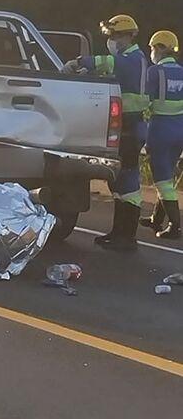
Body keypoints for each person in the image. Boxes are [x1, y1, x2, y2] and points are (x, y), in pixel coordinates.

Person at [63, 14, 149, 250]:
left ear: (130, 36)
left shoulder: (133, 58)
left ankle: (126, 236)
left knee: (128, 182)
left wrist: (80, 61)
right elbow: (111, 76)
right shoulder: (126, 58)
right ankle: (118, 232)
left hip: (131, 126)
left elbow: (108, 65)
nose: (112, 40)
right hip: (125, 126)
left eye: (116, 35)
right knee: (120, 182)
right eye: (111, 36)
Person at [140, 30, 183, 239]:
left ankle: (175, 225)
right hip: (179, 131)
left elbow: (144, 101)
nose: (151, 52)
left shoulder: (154, 73)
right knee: (167, 175)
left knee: (162, 180)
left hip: (160, 131)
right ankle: (156, 220)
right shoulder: (182, 72)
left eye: (151, 48)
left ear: (159, 48)